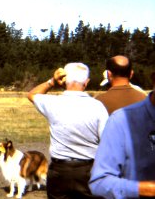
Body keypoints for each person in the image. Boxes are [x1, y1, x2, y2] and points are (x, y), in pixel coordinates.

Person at [27, 62, 108, 199]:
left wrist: (52, 82)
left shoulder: (53, 103)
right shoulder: (98, 107)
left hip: (60, 171)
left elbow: (32, 94)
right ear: (86, 82)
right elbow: (106, 142)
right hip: (88, 170)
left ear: (65, 80)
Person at [89, 81, 155, 198]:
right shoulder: (137, 100)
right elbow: (100, 181)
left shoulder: (98, 101)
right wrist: (147, 189)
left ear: (109, 75)